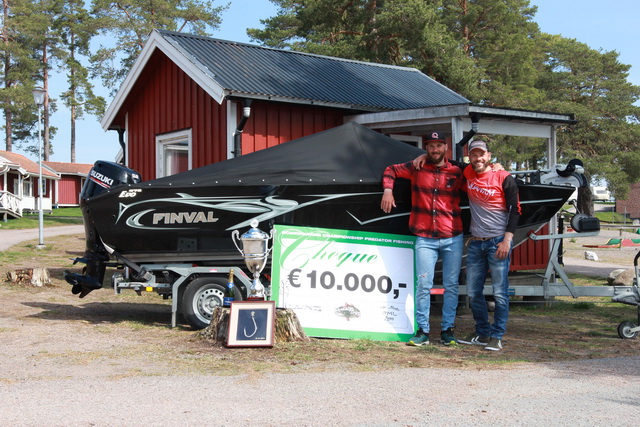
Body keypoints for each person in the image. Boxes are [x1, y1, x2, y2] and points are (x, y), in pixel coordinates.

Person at [381, 132, 464, 346]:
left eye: (438, 146)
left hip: (452, 236)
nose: (434, 150)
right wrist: (388, 190)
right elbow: (390, 170)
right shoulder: (416, 167)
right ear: (425, 148)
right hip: (424, 237)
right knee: (423, 285)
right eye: (430, 146)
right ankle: (423, 331)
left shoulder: (457, 171)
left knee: (451, 286)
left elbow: (479, 176)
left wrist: (498, 169)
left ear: (445, 148)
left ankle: (448, 330)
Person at [457, 140, 521, 351]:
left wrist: (507, 241)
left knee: (500, 292)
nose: (478, 159)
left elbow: (515, 210)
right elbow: (446, 163)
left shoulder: (503, 177)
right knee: (473, 293)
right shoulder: (467, 172)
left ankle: (497, 336)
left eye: (482, 154)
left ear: (489, 155)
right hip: (476, 243)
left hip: (498, 242)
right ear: (470, 158)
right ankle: (482, 333)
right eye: (474, 155)